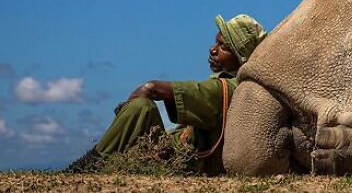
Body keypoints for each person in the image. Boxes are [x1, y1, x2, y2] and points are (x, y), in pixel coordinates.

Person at [66, 14, 267, 175]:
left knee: (141, 107)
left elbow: (152, 88)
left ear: (240, 59)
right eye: (215, 43)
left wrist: (136, 101)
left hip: (181, 162)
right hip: (174, 154)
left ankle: (87, 166)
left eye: (223, 46)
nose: (213, 50)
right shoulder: (238, 87)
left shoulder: (227, 88)